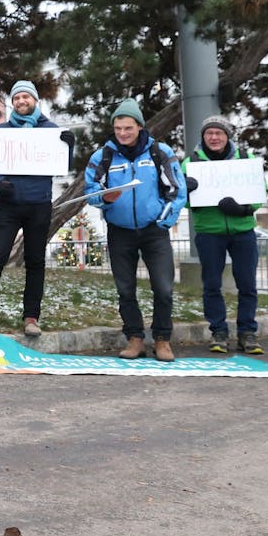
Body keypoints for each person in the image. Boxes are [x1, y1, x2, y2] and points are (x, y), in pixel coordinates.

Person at [0, 80, 72, 338]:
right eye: (17, 97)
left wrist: (69, 146)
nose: (22, 101)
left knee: (35, 262)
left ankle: (31, 317)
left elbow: (62, 165)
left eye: (26, 96)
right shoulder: (1, 132)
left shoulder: (51, 130)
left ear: (35, 100)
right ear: (12, 102)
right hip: (8, 207)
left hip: (39, 205)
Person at [84, 98, 188, 361]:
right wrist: (103, 199)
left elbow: (176, 191)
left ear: (139, 127)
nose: (122, 134)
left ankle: (163, 340)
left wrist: (164, 219)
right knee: (125, 289)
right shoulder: (103, 156)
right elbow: (91, 192)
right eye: (118, 128)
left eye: (128, 128)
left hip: (154, 230)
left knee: (163, 288)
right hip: (120, 232)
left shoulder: (159, 152)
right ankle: (135, 338)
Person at [182, 116, 263, 354]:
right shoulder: (191, 162)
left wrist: (245, 209)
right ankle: (218, 331)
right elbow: (178, 194)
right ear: (203, 137)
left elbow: (260, 190)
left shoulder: (245, 159)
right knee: (212, 285)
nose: (214, 138)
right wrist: (188, 193)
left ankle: (248, 332)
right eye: (209, 133)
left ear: (228, 136)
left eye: (219, 133)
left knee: (247, 284)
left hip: (243, 230)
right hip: (209, 231)